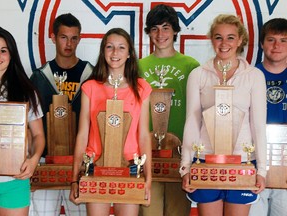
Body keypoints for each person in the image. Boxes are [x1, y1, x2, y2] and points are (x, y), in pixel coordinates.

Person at [180, 14, 267, 216]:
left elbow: (258, 126)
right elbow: (192, 121)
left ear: (240, 40)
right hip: (206, 161)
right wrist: (186, 166)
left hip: (243, 160)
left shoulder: (254, 76)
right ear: (211, 39)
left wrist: (261, 170)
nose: (224, 43)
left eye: (230, 37)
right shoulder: (198, 74)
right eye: (218, 37)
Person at [69, 27, 152, 216]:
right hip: (95, 165)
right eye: (110, 47)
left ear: (130, 53)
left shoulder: (141, 88)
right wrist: (75, 178)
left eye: (121, 47)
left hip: (130, 167)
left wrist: (148, 178)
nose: (115, 53)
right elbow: (82, 134)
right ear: (103, 51)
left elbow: (144, 135)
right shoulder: (90, 87)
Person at [138, 4, 200, 216]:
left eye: (165, 27)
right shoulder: (138, 66)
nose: (160, 34)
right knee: (148, 212)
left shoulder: (191, 65)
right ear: (148, 32)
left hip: (180, 154)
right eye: (154, 28)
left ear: (175, 30)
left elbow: (197, 112)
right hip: (147, 156)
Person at [29, 13, 93, 216]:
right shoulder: (39, 77)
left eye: (74, 38)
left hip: (81, 163)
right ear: (53, 37)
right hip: (46, 161)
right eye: (64, 37)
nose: (69, 43)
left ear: (80, 39)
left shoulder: (91, 75)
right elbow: (30, 123)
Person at [0, 26, 45, 216]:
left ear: (11, 54)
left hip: (14, 181)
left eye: (3, 50)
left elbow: (39, 135)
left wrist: (34, 160)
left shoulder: (26, 91)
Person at [248, 18, 287, 216]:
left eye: (284, 40)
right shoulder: (247, 76)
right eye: (271, 40)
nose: (277, 46)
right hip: (253, 166)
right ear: (262, 44)